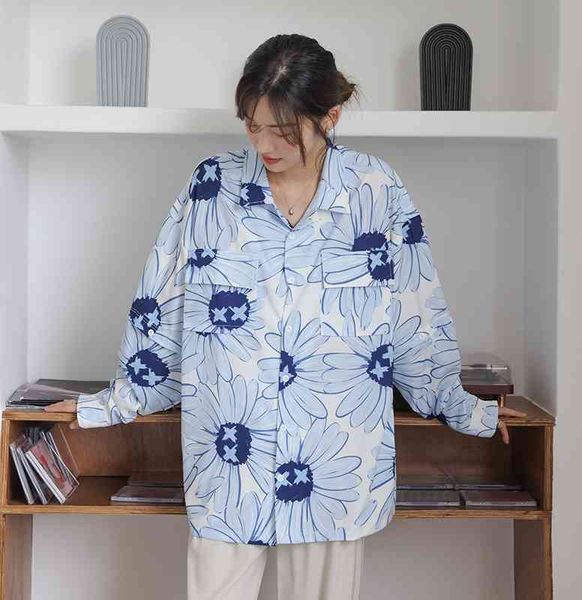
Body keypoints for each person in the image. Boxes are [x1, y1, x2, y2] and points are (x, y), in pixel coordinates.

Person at [45, 33, 527, 600]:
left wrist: (467, 410)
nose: (264, 143)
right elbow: (162, 308)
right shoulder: (210, 188)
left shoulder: (376, 191)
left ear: (330, 117)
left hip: (334, 454)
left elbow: (416, 319)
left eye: (283, 129)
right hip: (228, 457)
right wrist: (106, 405)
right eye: (253, 125)